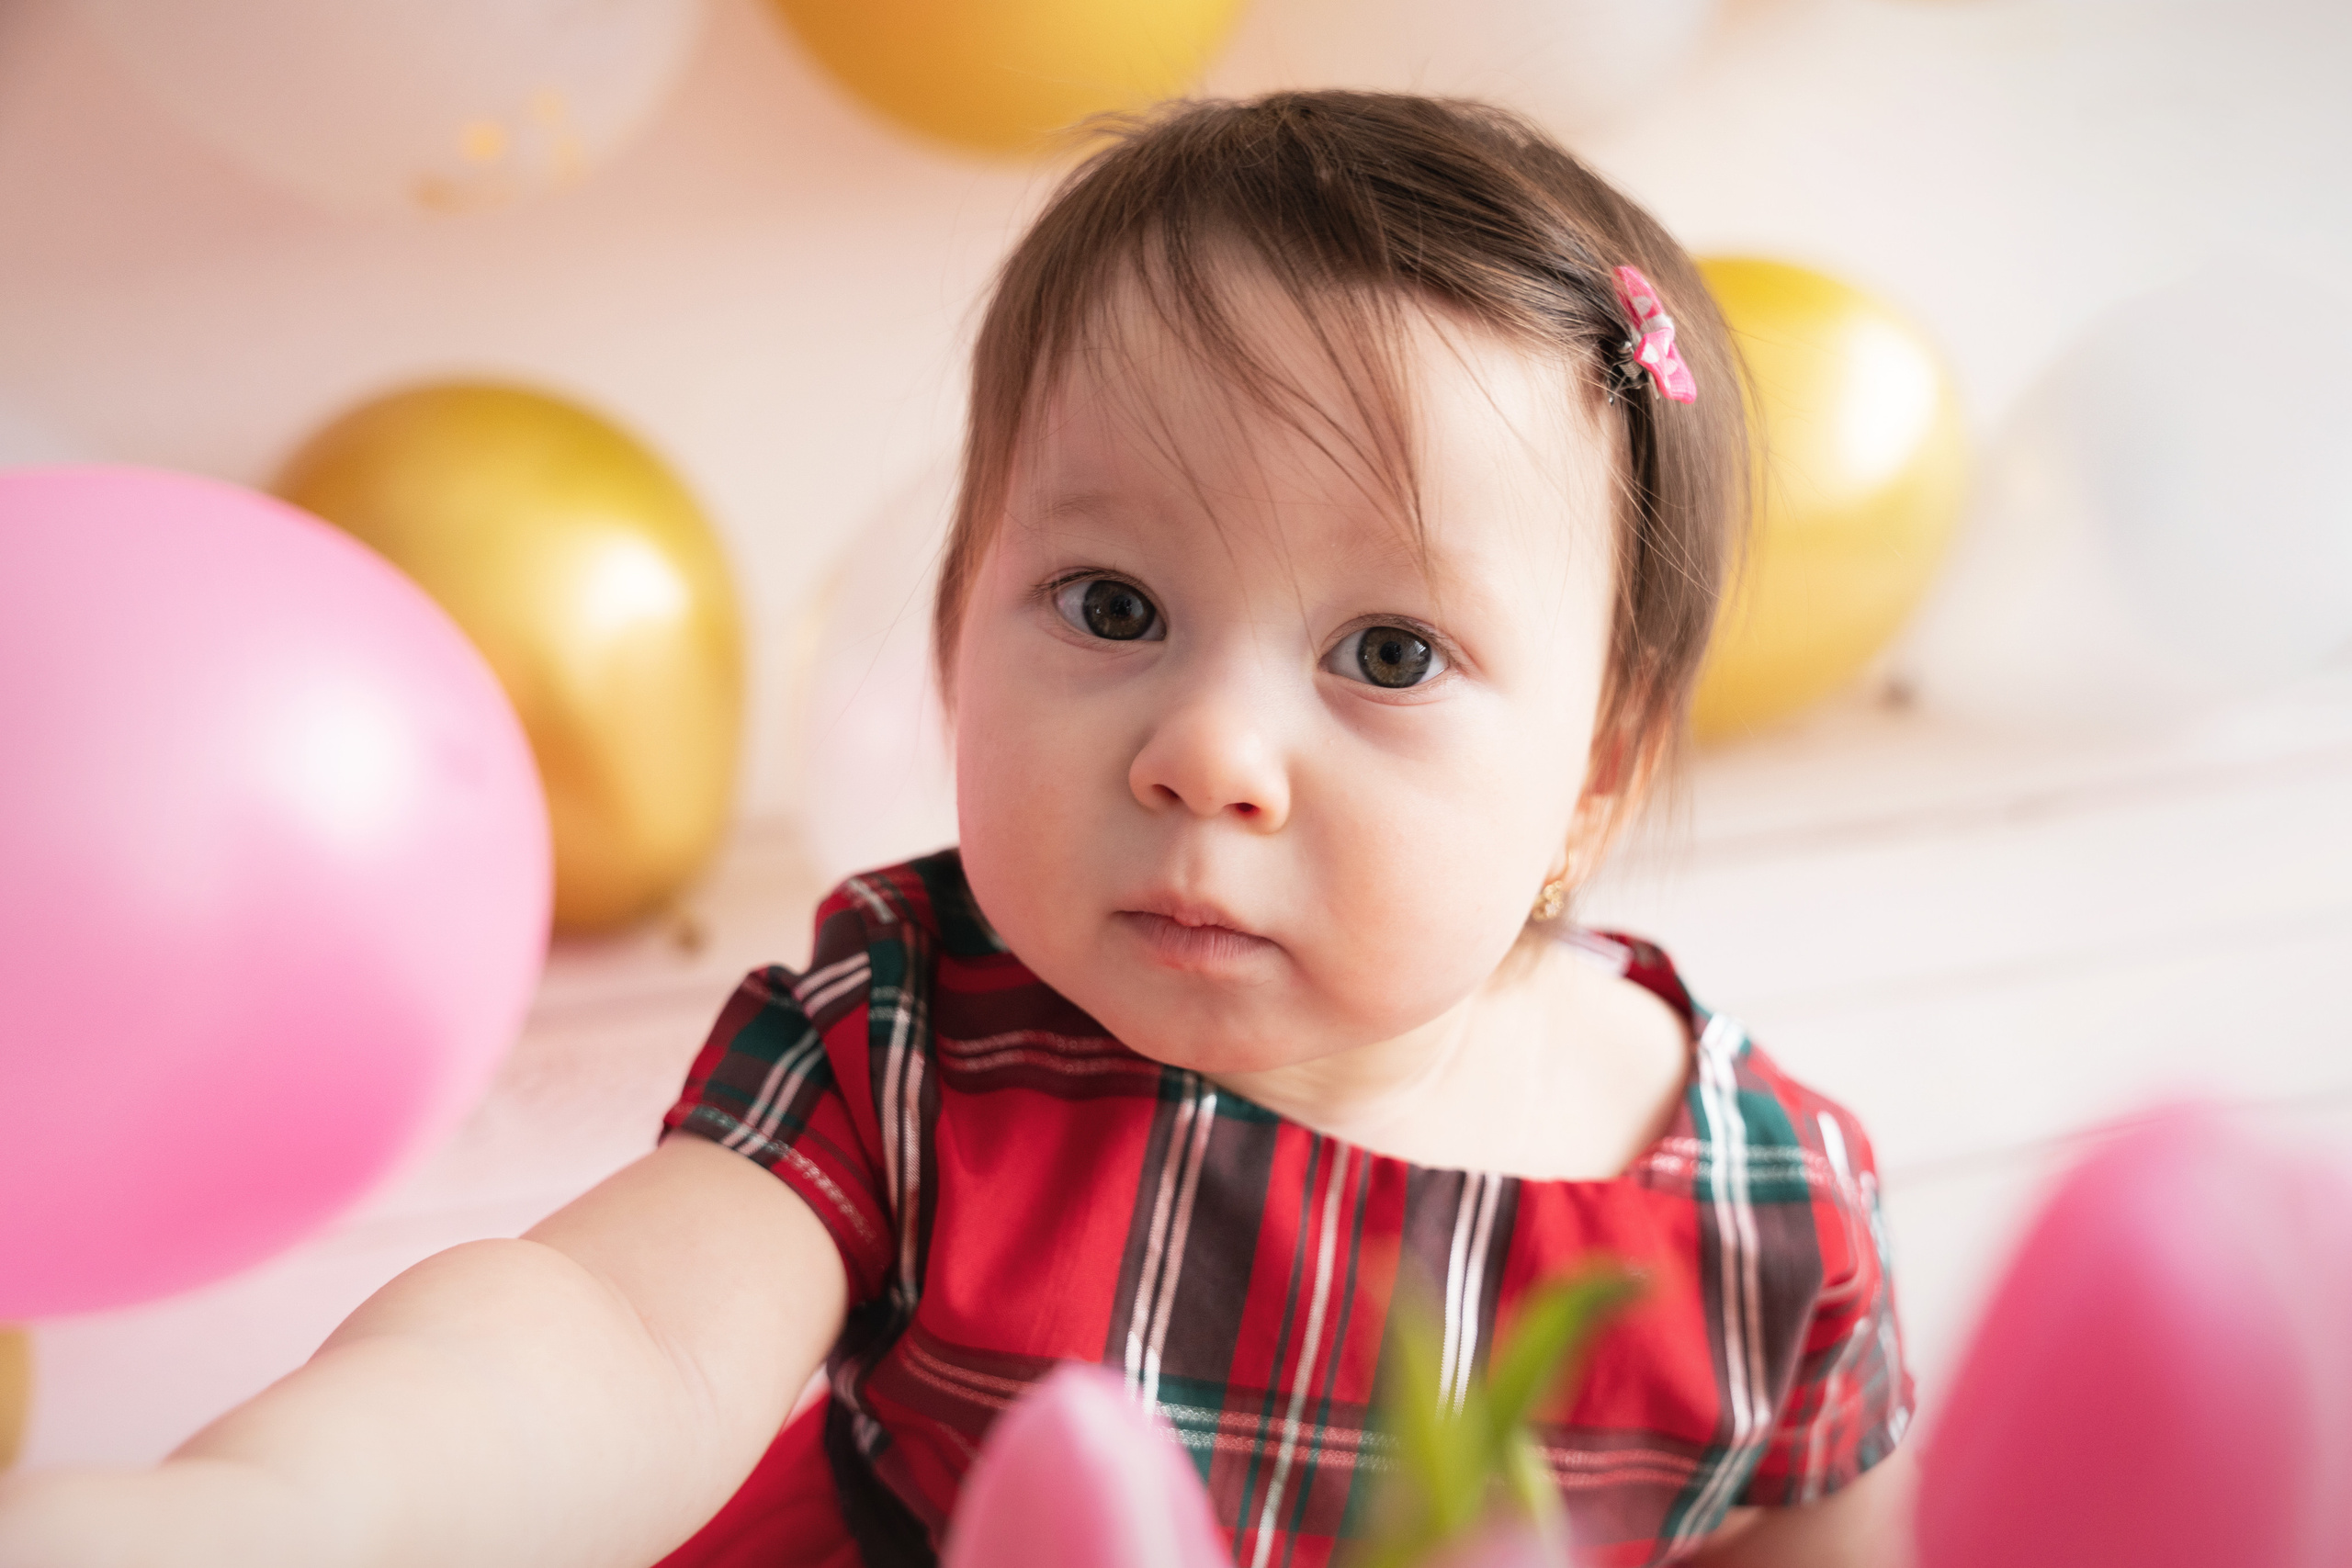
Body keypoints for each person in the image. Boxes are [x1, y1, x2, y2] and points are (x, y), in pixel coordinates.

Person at [0, 92, 1911, 1568]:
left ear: (1597, 759)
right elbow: (599, 1334)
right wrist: (272, 1514)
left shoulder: (1759, 1226)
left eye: (1385, 650)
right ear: (950, 620)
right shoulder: (917, 1031)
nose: (1202, 750)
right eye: (1108, 605)